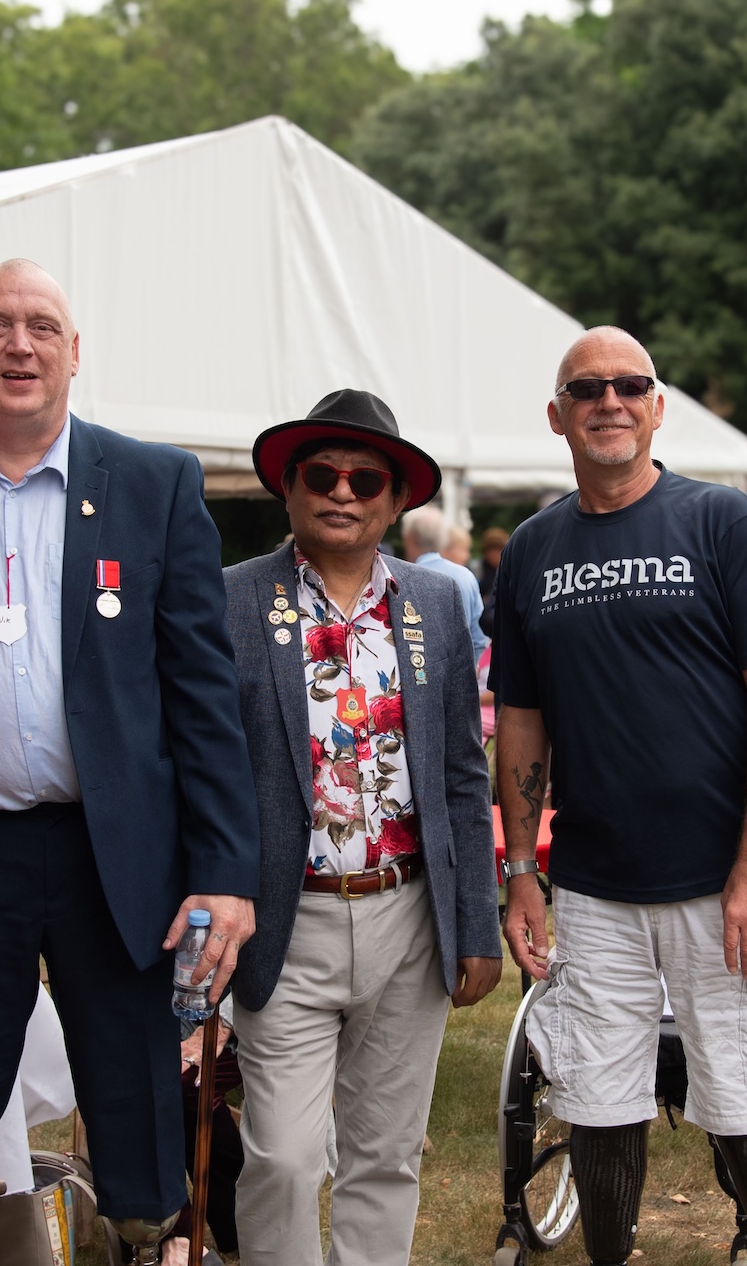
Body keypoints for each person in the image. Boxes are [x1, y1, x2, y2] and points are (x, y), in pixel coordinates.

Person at [0, 258, 260, 1265]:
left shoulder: (155, 482)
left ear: (76, 354)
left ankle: (153, 1241)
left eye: (41, 327)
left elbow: (202, 695)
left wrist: (226, 872)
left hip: (111, 856)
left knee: (139, 1114)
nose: (18, 345)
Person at [493, 327, 747, 1266]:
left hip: (725, 877)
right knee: (598, 1094)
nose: (609, 401)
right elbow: (520, 723)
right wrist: (521, 871)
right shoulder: (532, 551)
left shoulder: (723, 522)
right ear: (557, 416)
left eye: (629, 384)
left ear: (657, 405)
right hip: (594, 879)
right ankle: (609, 1255)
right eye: (586, 388)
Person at [223, 390, 501, 1266]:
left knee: (385, 1154)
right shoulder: (229, 599)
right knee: (285, 1156)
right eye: (322, 473)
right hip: (285, 916)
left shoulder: (433, 604)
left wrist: (477, 919)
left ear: (394, 498)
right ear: (290, 487)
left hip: (407, 914)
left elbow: (463, 772)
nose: (342, 491)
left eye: (365, 477)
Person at [401, 505, 486, 663]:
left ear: (410, 538)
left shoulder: (403, 580)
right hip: (463, 677)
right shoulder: (466, 576)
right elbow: (478, 638)